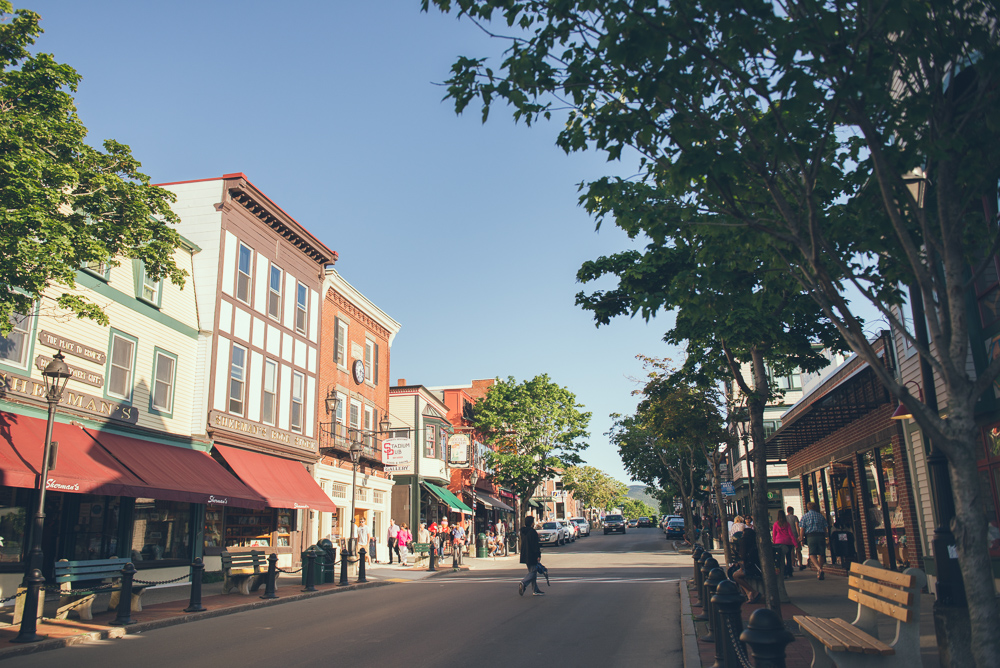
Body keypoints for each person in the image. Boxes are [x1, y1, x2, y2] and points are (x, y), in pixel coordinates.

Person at [731, 523, 763, 603]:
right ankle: (748, 593)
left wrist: (742, 567)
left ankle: (752, 592)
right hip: (753, 567)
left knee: (735, 576)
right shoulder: (754, 545)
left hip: (754, 569)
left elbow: (744, 558)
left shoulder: (745, 544)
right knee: (736, 574)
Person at [799, 501, 829, 580]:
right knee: (821, 554)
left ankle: (818, 568)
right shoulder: (820, 516)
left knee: (812, 554)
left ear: (808, 508)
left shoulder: (805, 516)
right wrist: (827, 536)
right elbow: (825, 527)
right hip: (820, 536)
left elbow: (802, 529)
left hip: (810, 536)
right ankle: (820, 570)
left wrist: (801, 538)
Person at [518, 515, 544, 596]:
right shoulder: (532, 532)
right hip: (532, 554)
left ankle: (535, 590)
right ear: (531, 523)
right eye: (533, 521)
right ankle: (524, 583)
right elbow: (535, 545)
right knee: (533, 572)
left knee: (532, 571)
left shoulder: (523, 532)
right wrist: (538, 555)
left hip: (525, 553)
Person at [771, 511, 797, 578]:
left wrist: (774, 542)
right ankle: (789, 572)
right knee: (789, 558)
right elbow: (791, 534)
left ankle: (783, 572)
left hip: (779, 542)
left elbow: (774, 534)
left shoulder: (776, 524)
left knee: (780, 558)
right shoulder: (787, 524)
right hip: (788, 542)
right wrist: (795, 543)